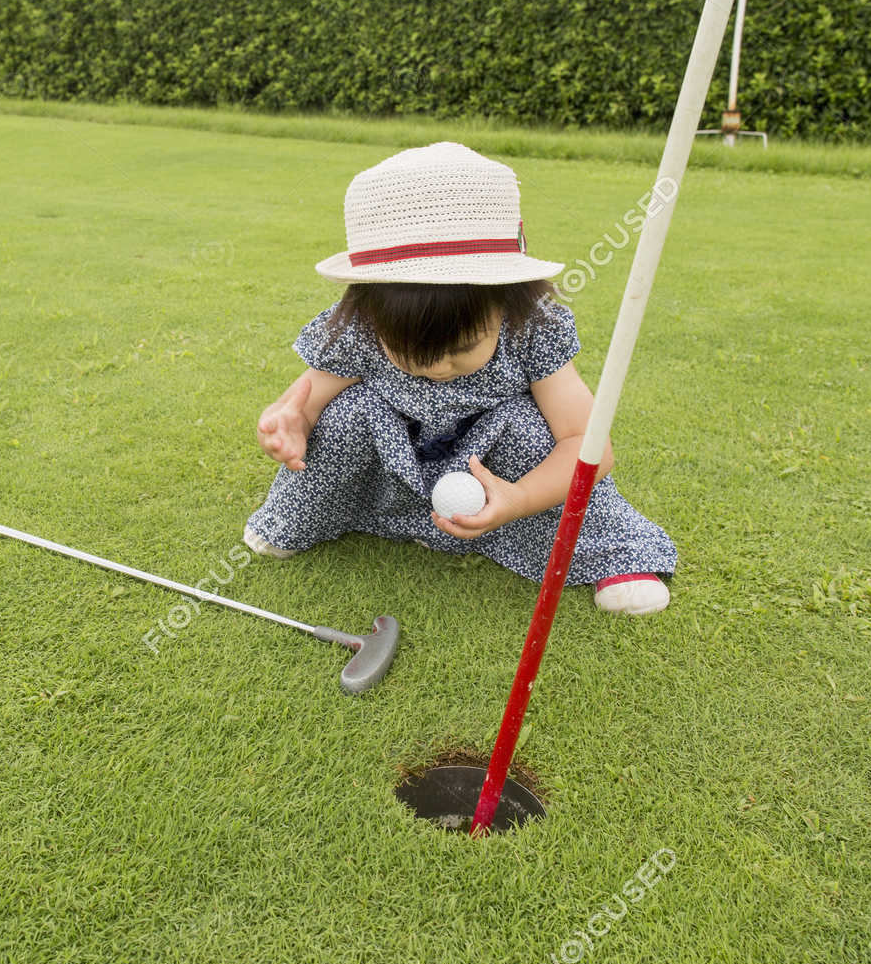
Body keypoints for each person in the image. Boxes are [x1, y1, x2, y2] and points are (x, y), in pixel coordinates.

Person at [244, 142, 677, 614]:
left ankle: (613, 557)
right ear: (367, 309)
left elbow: (586, 443)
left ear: (507, 301)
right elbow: (305, 400)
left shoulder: (533, 328)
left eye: (460, 350)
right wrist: (290, 421)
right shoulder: (358, 329)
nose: (435, 369)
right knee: (343, 414)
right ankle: (309, 520)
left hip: (499, 473)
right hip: (396, 470)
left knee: (535, 437)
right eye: (410, 353)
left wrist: (519, 498)